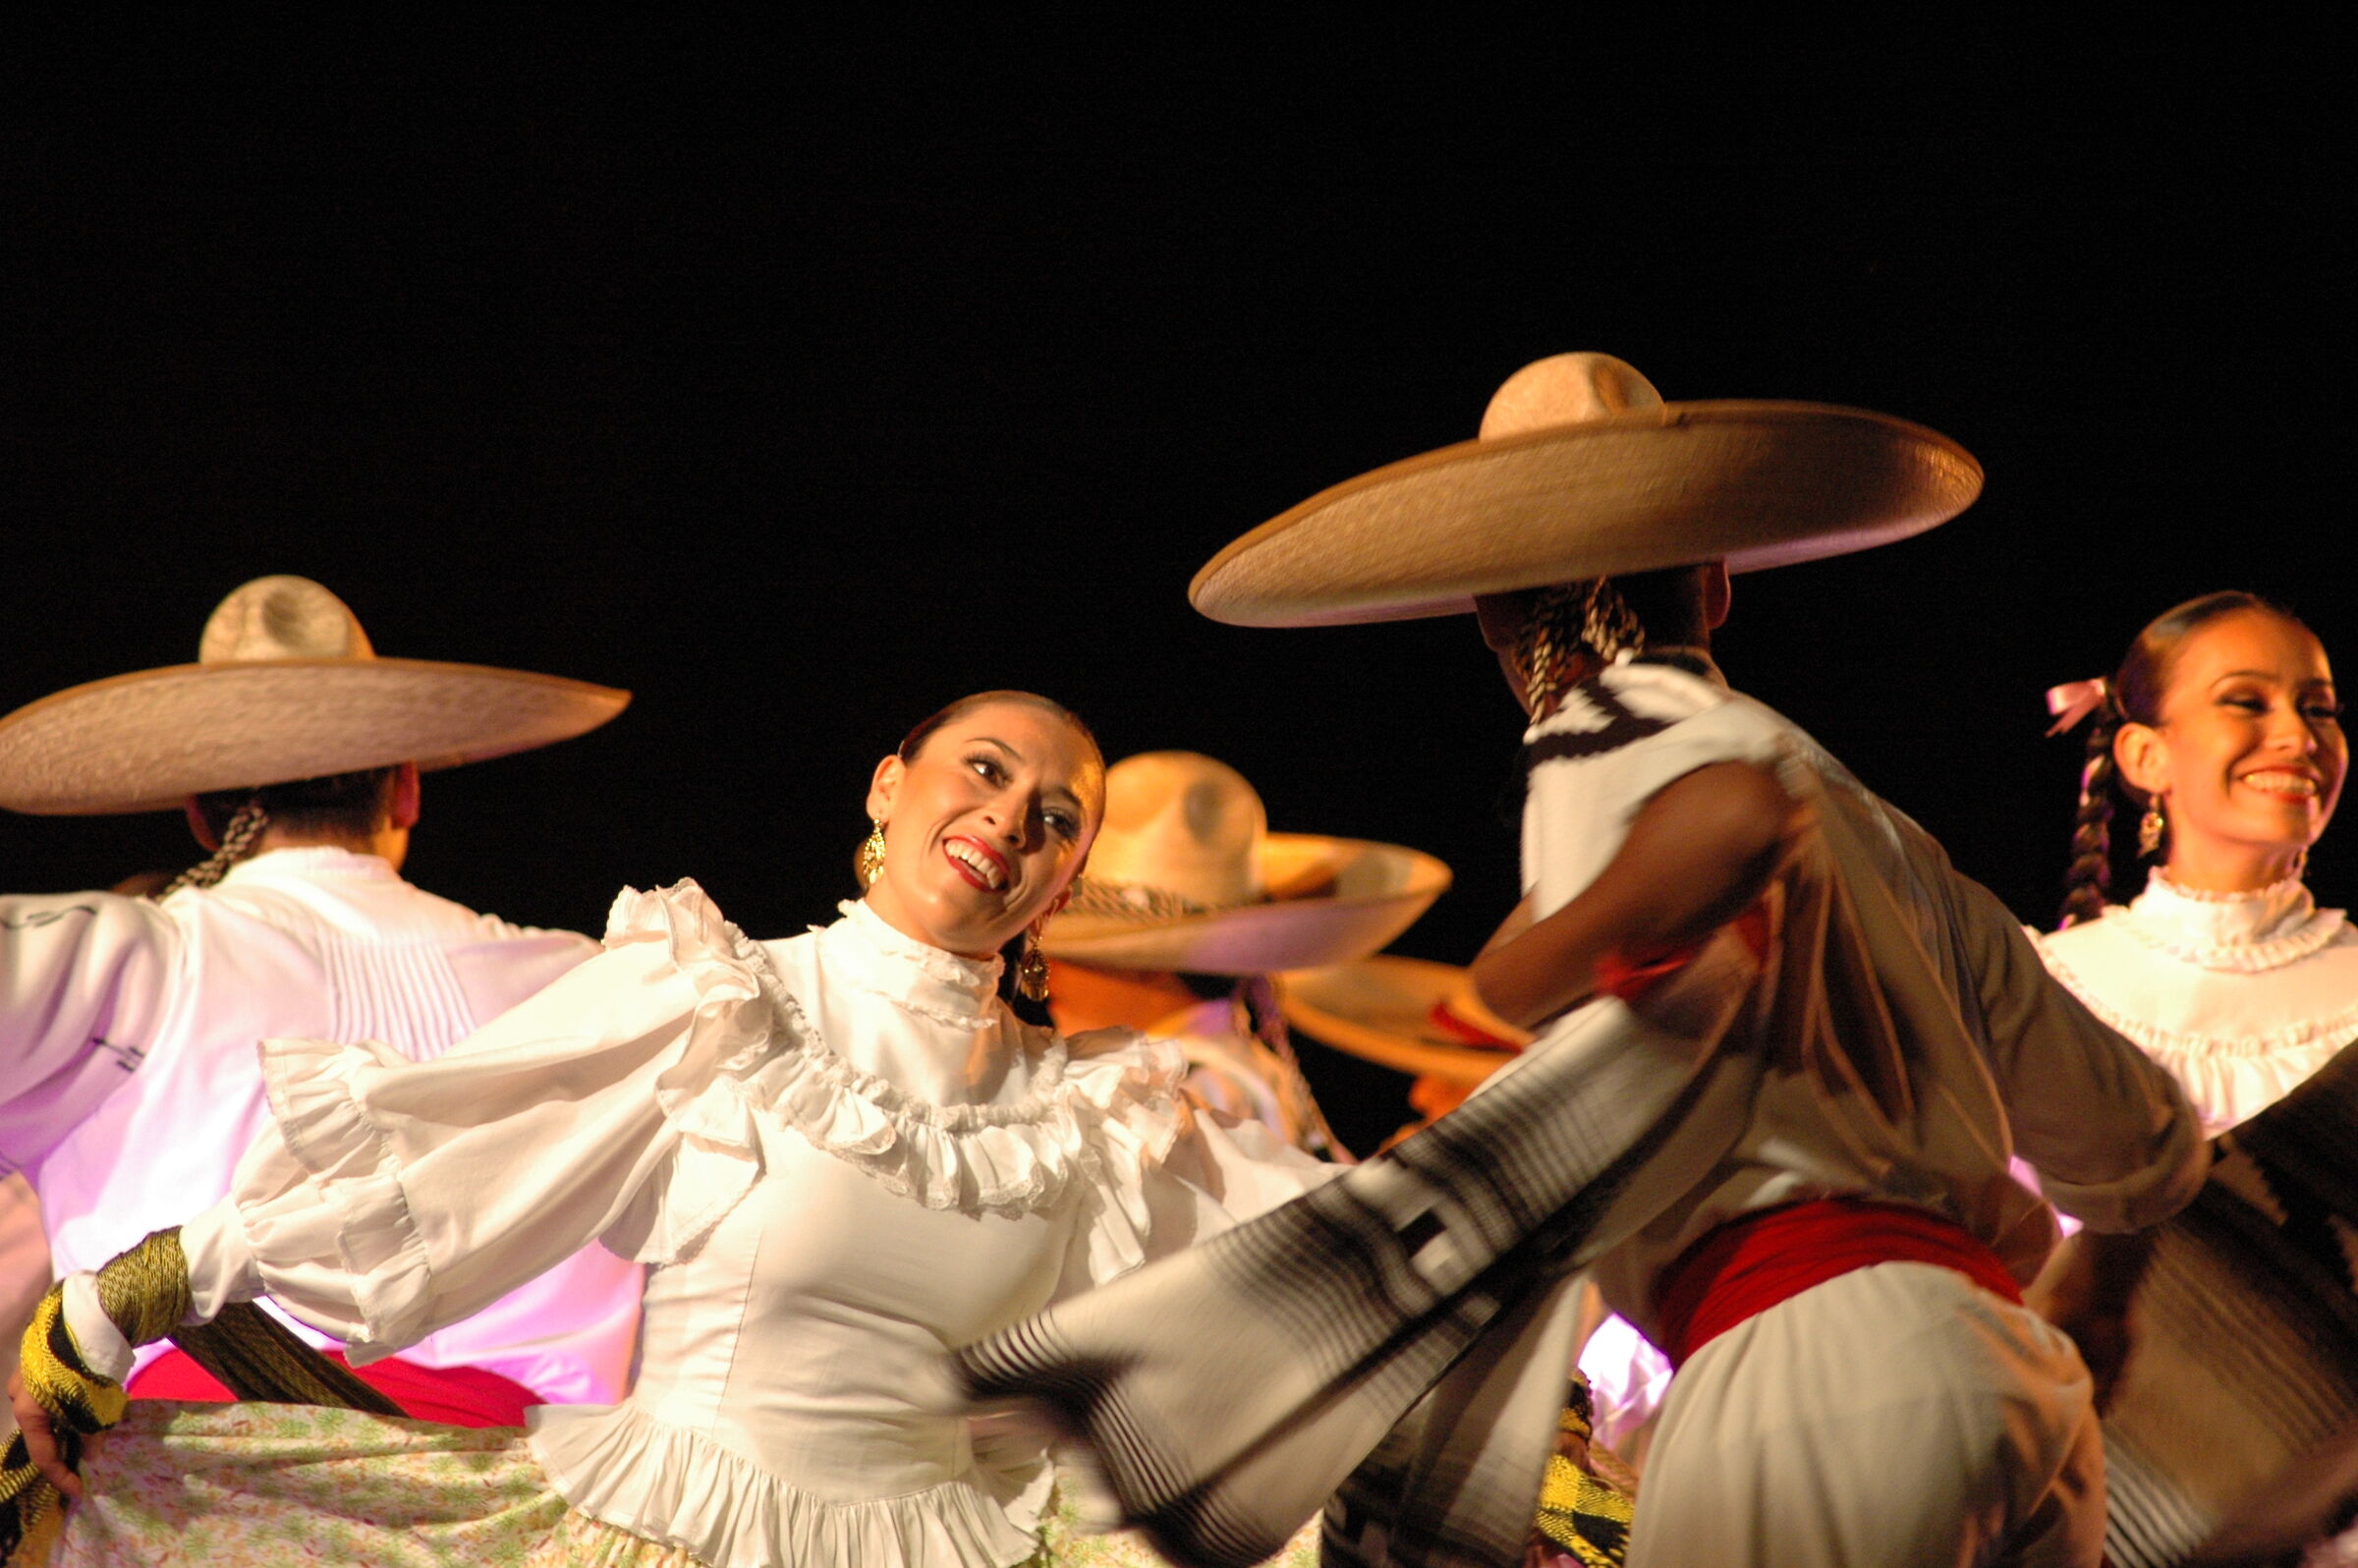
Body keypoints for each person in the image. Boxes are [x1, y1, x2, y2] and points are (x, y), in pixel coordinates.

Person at [951, 354, 2206, 1568]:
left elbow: (1721, 816)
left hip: (1815, 1378)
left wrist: (1518, 972)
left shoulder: (1606, 727)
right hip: (2008, 1381)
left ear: (1491, 610)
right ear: (1717, 585)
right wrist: (2084, 1302)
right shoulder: (1893, 842)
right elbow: (2145, 1142)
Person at [8, 690, 1336, 1568]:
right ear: (888, 789)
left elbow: (1337, 1259)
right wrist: (147, 1284)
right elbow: (456, 1177)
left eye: (1057, 818)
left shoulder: (1097, 1110)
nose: (1008, 821)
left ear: (1063, 881)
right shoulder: (718, 998)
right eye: (982, 773)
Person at [0, 575, 643, 1427]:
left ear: (200, 813)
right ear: (407, 789)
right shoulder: (592, 983)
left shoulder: (127, 959)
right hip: (534, 1523)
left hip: (195, 1509)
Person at [2031, 592, 2358, 1564]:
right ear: (2144, 757)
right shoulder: (2046, 988)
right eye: (2246, 702)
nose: (2296, 734)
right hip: (2078, 1495)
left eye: (2321, 707)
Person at [1042, 749, 1451, 1157]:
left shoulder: (1174, 1096)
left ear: (1143, 965)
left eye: (1070, 949)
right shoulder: (1246, 1073)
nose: (1049, 968)